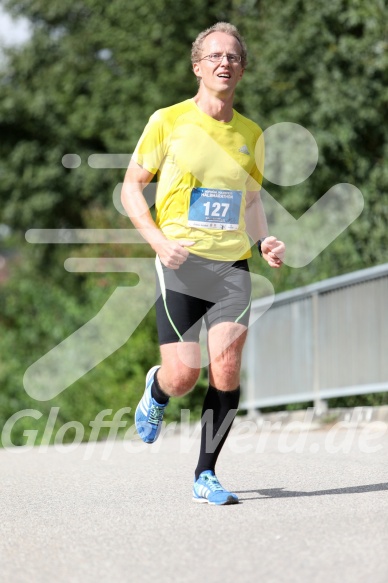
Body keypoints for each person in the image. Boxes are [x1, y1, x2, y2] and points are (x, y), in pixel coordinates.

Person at [121, 22, 285, 505]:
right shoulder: (168, 121)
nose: (224, 63)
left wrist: (263, 242)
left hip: (231, 266)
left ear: (243, 68)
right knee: (183, 376)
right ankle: (157, 389)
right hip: (181, 262)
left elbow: (251, 199)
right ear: (197, 66)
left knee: (227, 370)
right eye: (214, 56)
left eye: (233, 57)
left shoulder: (251, 133)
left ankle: (206, 474)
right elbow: (131, 187)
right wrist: (156, 241)